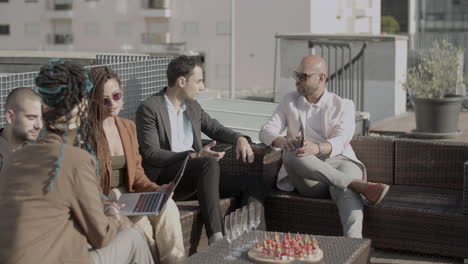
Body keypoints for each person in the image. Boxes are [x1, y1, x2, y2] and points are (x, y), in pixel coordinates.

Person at [0, 59, 154, 264]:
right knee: (133, 238)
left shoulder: (16, 158)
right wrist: (113, 215)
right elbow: (101, 236)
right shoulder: (75, 160)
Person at [136, 55, 264, 244]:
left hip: (199, 174)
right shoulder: (150, 108)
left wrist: (239, 138)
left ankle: (253, 241)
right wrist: (194, 155)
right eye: (199, 81)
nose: (202, 87)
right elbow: (151, 154)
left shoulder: (193, 106)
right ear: (181, 81)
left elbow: (214, 128)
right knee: (208, 163)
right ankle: (217, 238)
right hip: (168, 177)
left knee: (253, 183)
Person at [259, 55, 390, 238]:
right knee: (289, 155)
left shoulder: (343, 105)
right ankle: (357, 185)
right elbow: (266, 131)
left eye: (303, 76)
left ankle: (352, 244)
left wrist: (318, 148)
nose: (297, 81)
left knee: (344, 188)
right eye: (296, 75)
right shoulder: (289, 100)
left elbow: (342, 139)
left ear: (321, 78)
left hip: (341, 161)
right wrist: (281, 141)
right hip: (309, 176)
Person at [89, 66, 185, 264]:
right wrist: (110, 204)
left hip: (131, 196)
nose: (112, 104)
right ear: (93, 101)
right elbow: (86, 185)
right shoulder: (86, 134)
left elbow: (138, 175)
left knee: (169, 207)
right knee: (142, 226)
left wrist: (158, 190)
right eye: (104, 100)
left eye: (116, 96)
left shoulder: (127, 127)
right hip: (106, 199)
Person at [0, 87, 42, 172]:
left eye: (41, 118)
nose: (39, 125)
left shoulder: (35, 153)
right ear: (10, 117)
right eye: (31, 117)